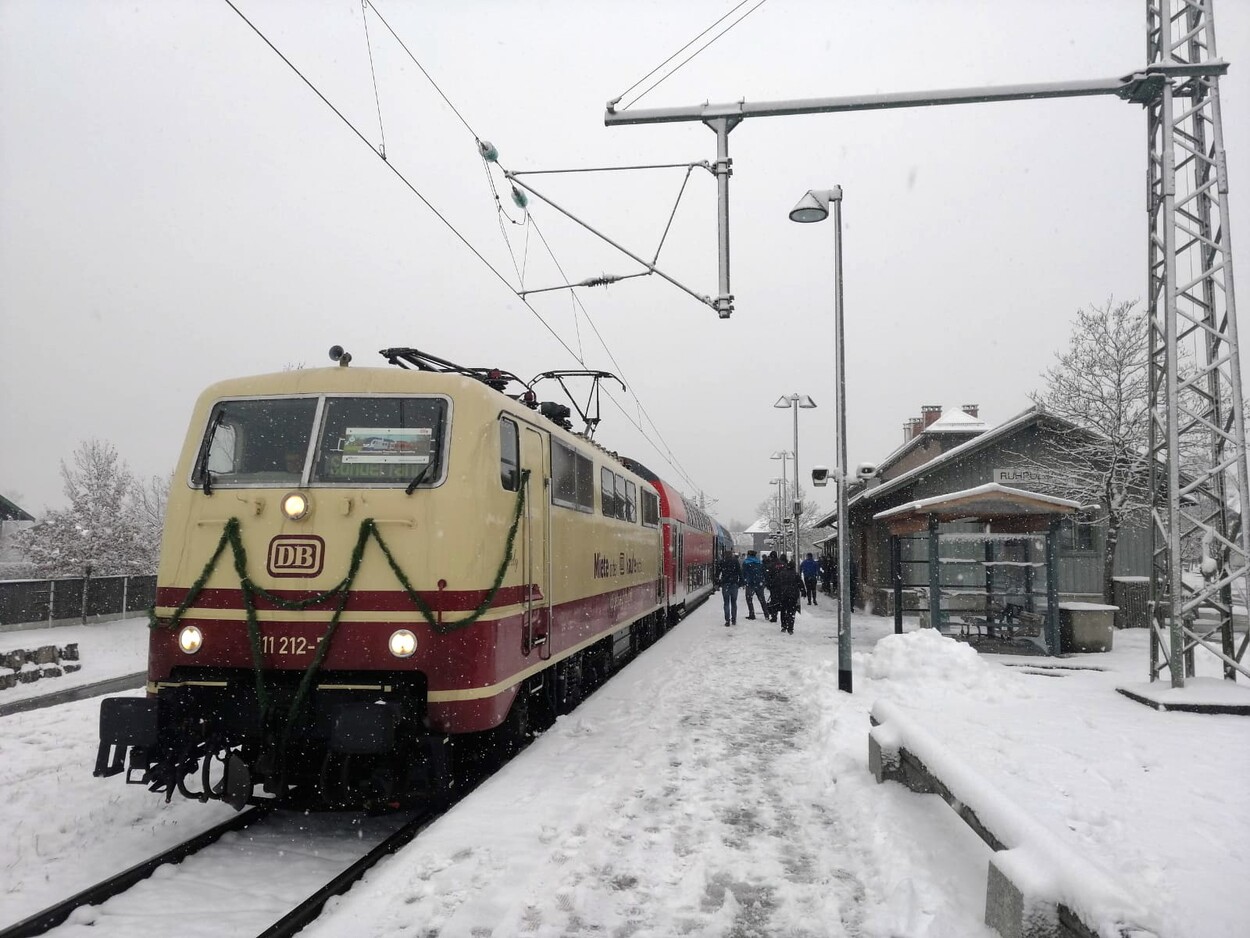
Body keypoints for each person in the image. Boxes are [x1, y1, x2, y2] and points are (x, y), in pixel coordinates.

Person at [772, 560, 803, 634]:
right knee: (791, 611)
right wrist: (803, 591)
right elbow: (800, 583)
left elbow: (775, 583)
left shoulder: (781, 574)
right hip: (793, 595)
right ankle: (790, 628)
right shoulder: (795, 574)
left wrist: (776, 593)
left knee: (783, 610)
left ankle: (784, 626)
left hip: (783, 595)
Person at [717, 549, 742, 626]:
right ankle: (734, 619)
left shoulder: (722, 561)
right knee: (734, 602)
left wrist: (718, 582)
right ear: (731, 554)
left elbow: (718, 572)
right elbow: (740, 572)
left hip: (725, 584)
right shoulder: (735, 561)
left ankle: (727, 620)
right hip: (734, 584)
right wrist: (740, 582)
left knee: (726, 603)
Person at [741, 549, 767, 620]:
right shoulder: (760, 562)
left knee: (749, 599)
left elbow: (743, 573)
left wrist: (743, 582)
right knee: (762, 599)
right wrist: (764, 581)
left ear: (748, 555)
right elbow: (764, 572)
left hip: (750, 583)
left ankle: (752, 614)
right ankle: (766, 614)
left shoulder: (746, 562)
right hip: (759, 583)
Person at [762, 551, 781, 622]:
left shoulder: (770, 565)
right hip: (782, 585)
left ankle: (774, 615)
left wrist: (768, 584)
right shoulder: (782, 564)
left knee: (774, 600)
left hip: (773, 585)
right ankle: (784, 615)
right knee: (782, 599)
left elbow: (767, 575)